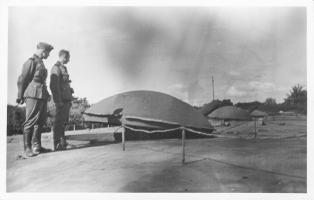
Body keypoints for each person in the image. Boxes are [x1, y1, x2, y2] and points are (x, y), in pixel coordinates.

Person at [17, 42, 53, 157]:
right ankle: (27, 148)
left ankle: (37, 146)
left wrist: (46, 94)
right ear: (43, 51)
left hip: (41, 94)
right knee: (30, 121)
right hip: (32, 94)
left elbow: (42, 81)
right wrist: (20, 95)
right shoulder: (31, 62)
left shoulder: (40, 62)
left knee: (40, 121)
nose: (48, 55)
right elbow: (22, 79)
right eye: (48, 53)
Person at [50, 49, 74, 151]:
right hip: (61, 100)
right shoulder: (56, 68)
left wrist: (70, 90)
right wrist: (57, 101)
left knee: (64, 121)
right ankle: (57, 144)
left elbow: (64, 84)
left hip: (66, 99)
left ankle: (62, 141)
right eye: (68, 57)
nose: (69, 59)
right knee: (59, 122)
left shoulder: (64, 68)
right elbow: (53, 86)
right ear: (64, 57)